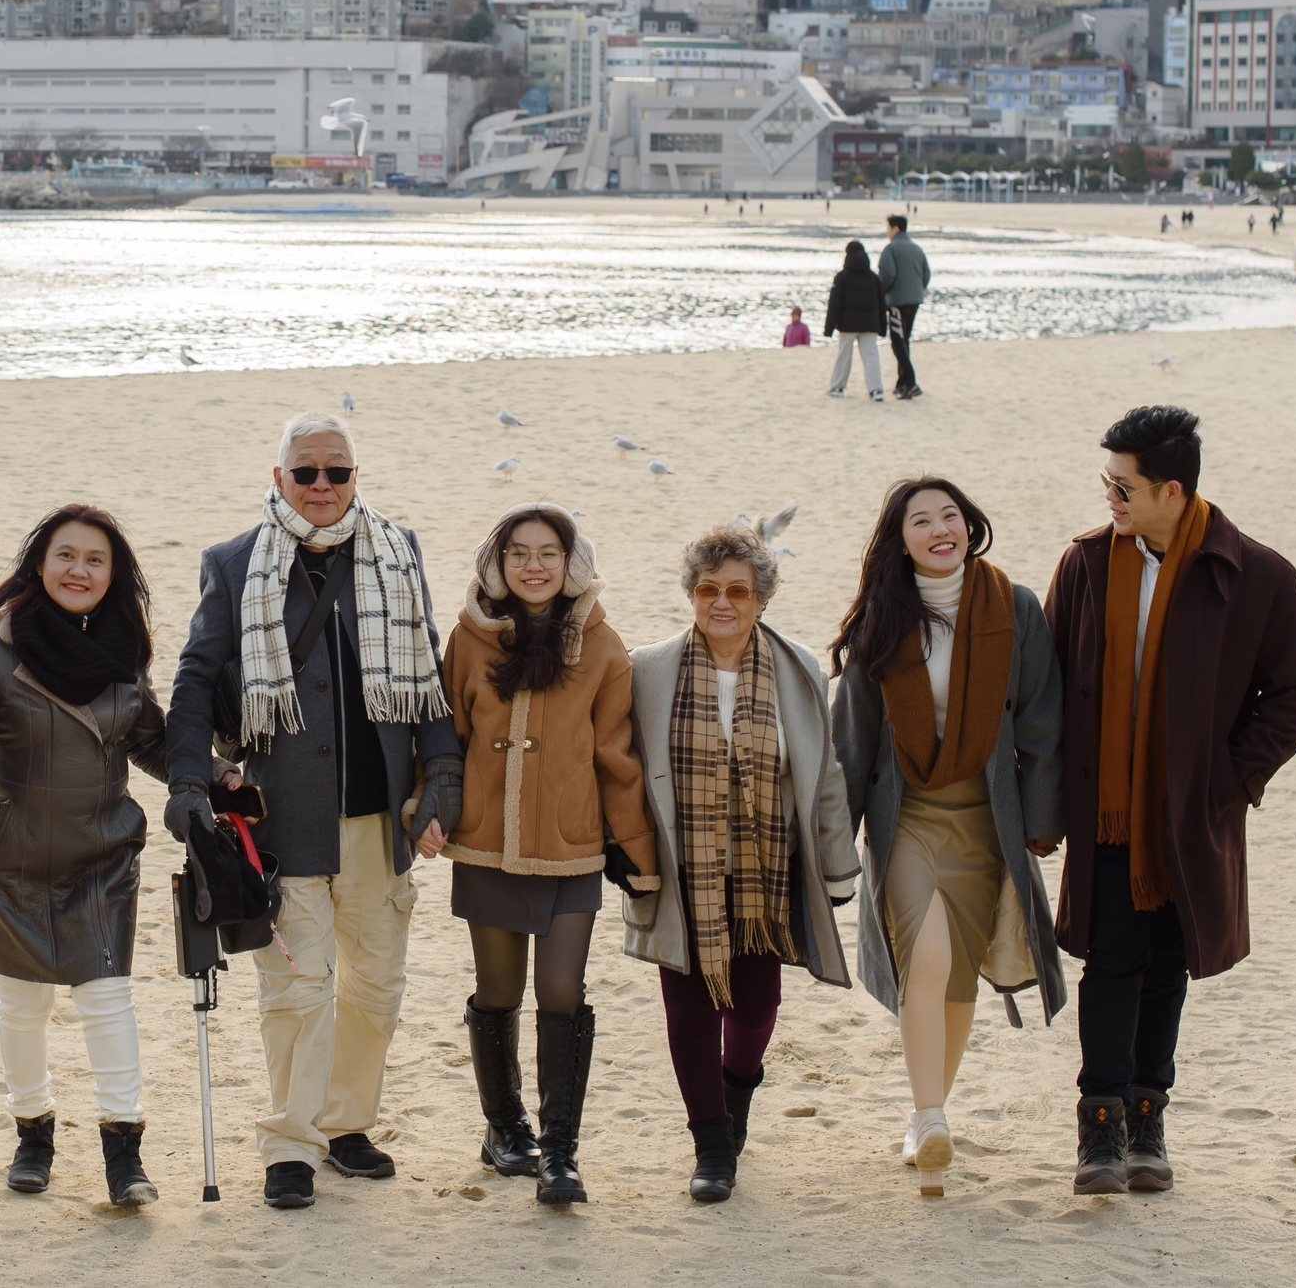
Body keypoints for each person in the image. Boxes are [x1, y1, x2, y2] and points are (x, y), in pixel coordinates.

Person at [164, 410, 463, 1211]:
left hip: (381, 823)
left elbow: (427, 673)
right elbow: (195, 679)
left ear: (357, 476)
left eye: (338, 471)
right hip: (283, 821)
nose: (323, 485)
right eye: (307, 472)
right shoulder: (233, 564)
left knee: (377, 985)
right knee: (297, 992)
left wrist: (441, 777)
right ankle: (289, 1143)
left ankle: (345, 1122)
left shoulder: (399, 554)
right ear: (279, 479)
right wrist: (187, 781)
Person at [1045, 406, 1296, 1197]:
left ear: (1171, 488)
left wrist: (1228, 783)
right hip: (1108, 808)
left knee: (1168, 961)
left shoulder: (1259, 575)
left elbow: (1292, 696)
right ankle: (1100, 1126)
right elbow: (1053, 685)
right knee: (1113, 957)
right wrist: (1049, 798)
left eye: (1121, 485)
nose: (1110, 498)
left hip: (1192, 815)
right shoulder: (1088, 563)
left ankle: (1146, 1116)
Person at [0, 505, 173, 1208]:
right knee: (22, 1003)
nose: (79, 569)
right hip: (12, 853)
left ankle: (124, 1152)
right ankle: (34, 1133)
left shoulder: (124, 647)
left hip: (102, 851)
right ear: (40, 563)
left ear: (113, 575)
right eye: (66, 555)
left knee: (106, 995)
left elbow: (148, 738)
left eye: (95, 558)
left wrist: (211, 773)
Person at [829, 479, 1065, 1198]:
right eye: (921, 520)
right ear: (899, 540)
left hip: (986, 818)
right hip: (908, 817)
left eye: (950, 516)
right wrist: (837, 835)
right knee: (925, 959)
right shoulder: (885, 616)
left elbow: (1041, 720)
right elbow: (853, 738)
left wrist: (1040, 820)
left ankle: (924, 1116)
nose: (940, 529)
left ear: (971, 525)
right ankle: (931, 1116)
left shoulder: (1014, 607)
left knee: (958, 973)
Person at [619, 523, 859, 1205]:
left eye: (737, 590)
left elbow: (825, 773)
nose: (720, 602)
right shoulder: (649, 669)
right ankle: (712, 1144)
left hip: (768, 871)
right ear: (691, 593)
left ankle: (735, 1088)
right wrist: (630, 858)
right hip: (679, 869)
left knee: (755, 1009)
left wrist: (838, 865)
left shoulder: (800, 668)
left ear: (761, 598)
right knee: (689, 1009)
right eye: (707, 588)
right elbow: (627, 772)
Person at [440, 505, 654, 1205]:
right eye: (518, 553)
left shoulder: (602, 646)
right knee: (498, 990)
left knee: (562, 990)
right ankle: (506, 1128)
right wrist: (436, 812)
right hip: (486, 843)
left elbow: (617, 760)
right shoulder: (469, 641)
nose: (533, 565)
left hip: (572, 848)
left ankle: (561, 1151)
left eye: (548, 552)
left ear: (571, 562)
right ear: (497, 563)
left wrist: (641, 857)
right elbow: (448, 738)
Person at [823, 240, 886, 403]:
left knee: (844, 355)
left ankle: (837, 387)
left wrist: (829, 328)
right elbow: (881, 304)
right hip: (870, 324)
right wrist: (883, 328)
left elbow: (834, 305)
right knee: (871, 356)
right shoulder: (873, 278)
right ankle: (876, 390)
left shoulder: (842, 277)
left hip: (847, 324)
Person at [879, 214, 932, 400]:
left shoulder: (891, 249)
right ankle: (901, 383)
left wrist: (882, 293)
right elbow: (927, 274)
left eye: (888, 228)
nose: (887, 233)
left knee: (897, 342)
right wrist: (918, 290)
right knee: (905, 340)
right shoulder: (917, 249)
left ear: (895, 228)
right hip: (915, 299)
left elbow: (888, 274)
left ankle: (910, 383)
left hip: (896, 301)